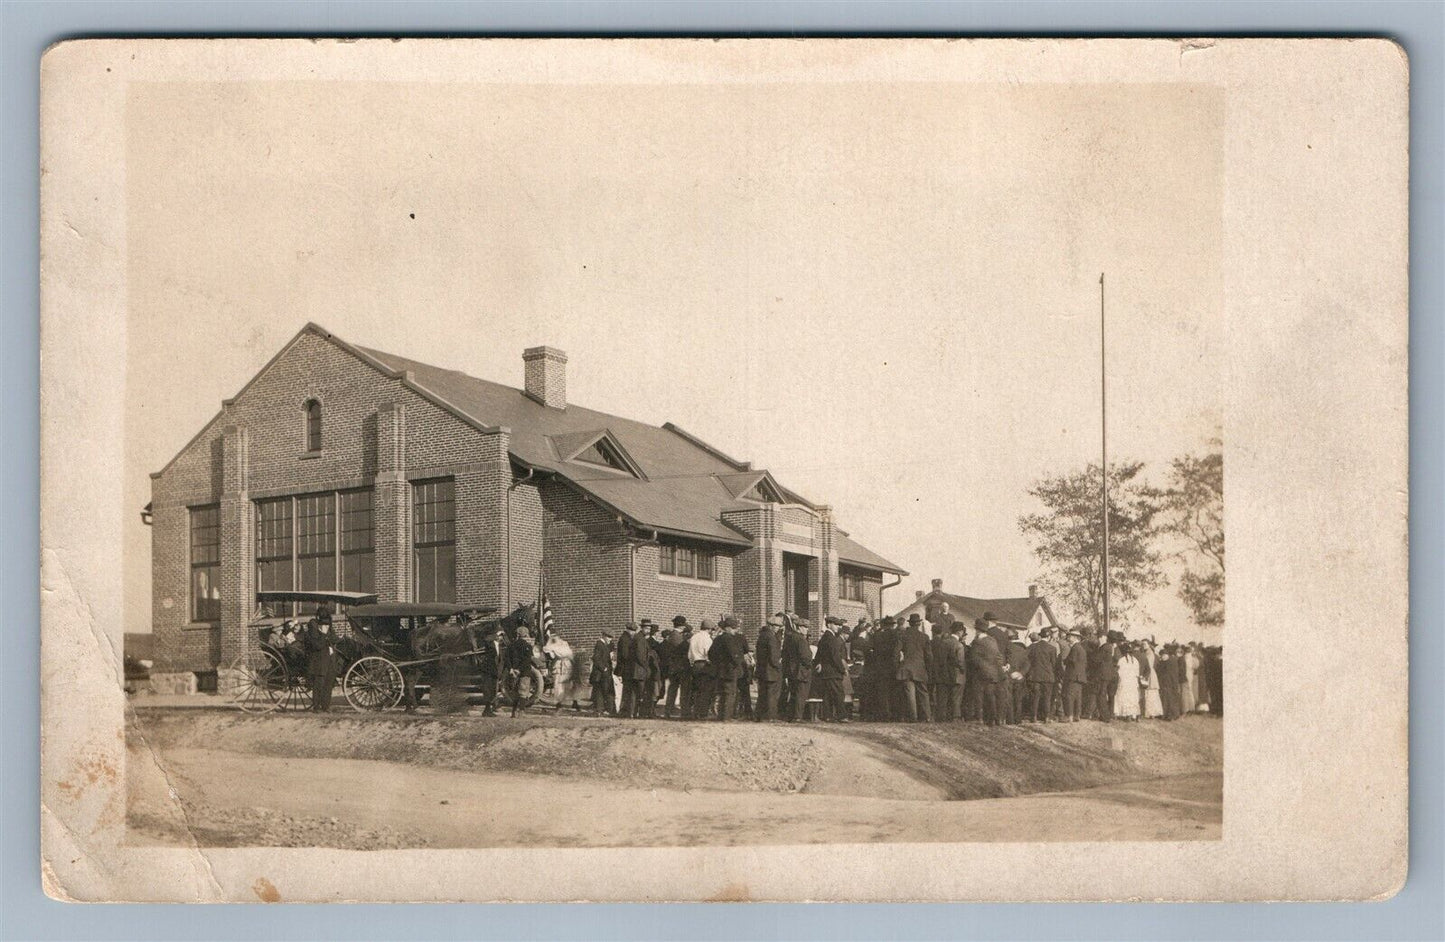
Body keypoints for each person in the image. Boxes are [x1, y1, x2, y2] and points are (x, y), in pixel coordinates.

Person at [968, 618, 1006, 725]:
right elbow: (999, 656)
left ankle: (979, 718)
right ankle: (993, 719)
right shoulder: (992, 640)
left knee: (979, 696)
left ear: (977, 630)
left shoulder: (977, 641)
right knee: (991, 697)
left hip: (981, 673)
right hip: (994, 673)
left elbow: (973, 659)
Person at [896, 614, 933, 722]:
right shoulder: (924, 637)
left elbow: (896, 652)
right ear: (918, 624)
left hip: (907, 667)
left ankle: (913, 717)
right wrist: (928, 668)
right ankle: (927, 717)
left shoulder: (903, 635)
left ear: (910, 623)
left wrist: (897, 665)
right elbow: (929, 656)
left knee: (910, 693)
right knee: (923, 693)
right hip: (920, 668)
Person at [709, 617, 746, 722]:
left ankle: (721, 715)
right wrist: (739, 663)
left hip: (719, 670)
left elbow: (710, 654)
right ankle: (727, 717)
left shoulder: (717, 639)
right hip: (730, 670)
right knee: (730, 693)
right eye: (734, 628)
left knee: (722, 693)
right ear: (728, 628)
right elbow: (735, 655)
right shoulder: (729, 639)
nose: (736, 631)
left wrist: (717, 664)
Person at [814, 617, 849, 722]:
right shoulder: (832, 639)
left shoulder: (824, 638)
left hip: (825, 671)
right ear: (829, 625)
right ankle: (842, 716)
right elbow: (835, 656)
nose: (838, 627)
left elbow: (819, 654)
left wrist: (819, 663)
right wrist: (842, 669)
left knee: (828, 695)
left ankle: (827, 716)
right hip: (833, 671)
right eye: (836, 625)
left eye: (839, 625)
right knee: (839, 693)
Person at [781, 614, 814, 722]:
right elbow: (805, 656)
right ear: (799, 627)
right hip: (801, 671)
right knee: (801, 694)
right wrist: (810, 665)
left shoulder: (789, 637)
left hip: (791, 670)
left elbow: (785, 654)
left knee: (794, 693)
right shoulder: (801, 639)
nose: (806, 629)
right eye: (805, 627)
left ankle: (790, 715)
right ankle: (798, 716)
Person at [304, 616, 340, 712]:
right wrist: (324, 635)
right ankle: (316, 707)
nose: (326, 627)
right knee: (319, 686)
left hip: (330, 663)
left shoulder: (327, 634)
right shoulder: (310, 635)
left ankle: (326, 706)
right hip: (319, 664)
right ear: (319, 626)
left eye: (327, 625)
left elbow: (336, 640)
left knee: (328, 685)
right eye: (324, 625)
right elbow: (318, 646)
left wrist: (327, 635)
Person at [505, 627, 542, 718]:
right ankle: (521, 711)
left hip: (513, 672)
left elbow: (507, 659)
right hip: (524, 671)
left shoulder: (510, 646)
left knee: (515, 692)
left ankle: (513, 712)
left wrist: (511, 669)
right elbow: (527, 660)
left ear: (517, 635)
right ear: (526, 635)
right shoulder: (528, 646)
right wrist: (520, 670)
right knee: (523, 692)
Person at [1027, 628, 1059, 722]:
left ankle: (1034, 717)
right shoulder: (1052, 648)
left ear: (1040, 636)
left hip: (1035, 676)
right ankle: (1046, 717)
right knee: (1047, 697)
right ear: (1049, 637)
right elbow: (1054, 664)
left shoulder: (1033, 647)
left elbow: (1028, 661)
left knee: (1035, 697)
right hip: (1048, 676)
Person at [754, 614, 783, 721]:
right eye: (777, 626)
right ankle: (771, 716)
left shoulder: (761, 636)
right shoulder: (772, 637)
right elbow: (774, 656)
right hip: (771, 670)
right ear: (771, 626)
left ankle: (759, 716)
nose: (778, 628)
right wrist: (778, 664)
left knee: (762, 694)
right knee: (772, 694)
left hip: (761, 670)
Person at [662, 619, 692, 719]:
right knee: (683, 690)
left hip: (674, 667)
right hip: (680, 667)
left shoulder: (673, 635)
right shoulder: (677, 636)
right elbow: (683, 649)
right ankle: (684, 712)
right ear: (681, 626)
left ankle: (668, 710)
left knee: (673, 689)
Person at [687, 618, 716, 719]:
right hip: (704, 665)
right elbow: (709, 653)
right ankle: (702, 713)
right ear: (709, 629)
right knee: (705, 690)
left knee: (697, 690)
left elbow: (689, 654)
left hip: (695, 664)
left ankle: (695, 712)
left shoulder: (694, 637)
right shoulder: (707, 638)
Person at [543, 631, 578, 712]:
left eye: (556, 636)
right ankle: (559, 705)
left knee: (568, 684)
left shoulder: (564, 643)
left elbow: (569, 654)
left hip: (566, 665)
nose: (555, 638)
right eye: (553, 636)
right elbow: (546, 649)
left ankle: (574, 702)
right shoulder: (552, 645)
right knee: (558, 685)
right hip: (559, 665)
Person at [477, 625, 505, 716]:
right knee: (488, 690)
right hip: (488, 671)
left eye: (501, 635)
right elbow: (485, 640)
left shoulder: (499, 647)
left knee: (493, 691)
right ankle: (487, 710)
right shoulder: (489, 644)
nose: (501, 637)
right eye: (500, 635)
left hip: (495, 672)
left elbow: (500, 659)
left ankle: (489, 710)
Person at [1006, 628, 1031, 725]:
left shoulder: (1005, 649)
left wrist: (1010, 673)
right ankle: (1018, 719)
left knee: (1009, 700)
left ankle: (1010, 720)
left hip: (1008, 676)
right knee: (1018, 699)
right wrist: (1021, 673)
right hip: (1019, 677)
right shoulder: (1022, 650)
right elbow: (1027, 664)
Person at [1063, 628, 1088, 721]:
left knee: (1069, 695)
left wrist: (1065, 660)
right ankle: (1077, 715)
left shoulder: (1074, 648)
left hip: (1072, 675)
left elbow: (1072, 660)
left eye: (1069, 636)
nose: (1068, 638)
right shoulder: (1081, 648)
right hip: (1080, 676)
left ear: (1074, 637)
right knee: (1078, 697)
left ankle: (1069, 716)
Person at [589, 630, 616, 716]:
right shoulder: (599, 644)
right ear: (603, 635)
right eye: (608, 637)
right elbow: (596, 658)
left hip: (605, 672)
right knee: (600, 691)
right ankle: (600, 710)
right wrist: (603, 668)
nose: (610, 639)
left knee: (603, 691)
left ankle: (603, 709)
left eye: (611, 638)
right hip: (600, 673)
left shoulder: (606, 645)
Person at [1115, 642, 1143, 721]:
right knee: (1132, 698)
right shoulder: (1135, 661)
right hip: (1133, 682)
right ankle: (1133, 714)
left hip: (1125, 681)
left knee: (1124, 696)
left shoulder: (1121, 660)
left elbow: (1119, 672)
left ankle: (1126, 714)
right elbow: (1137, 673)